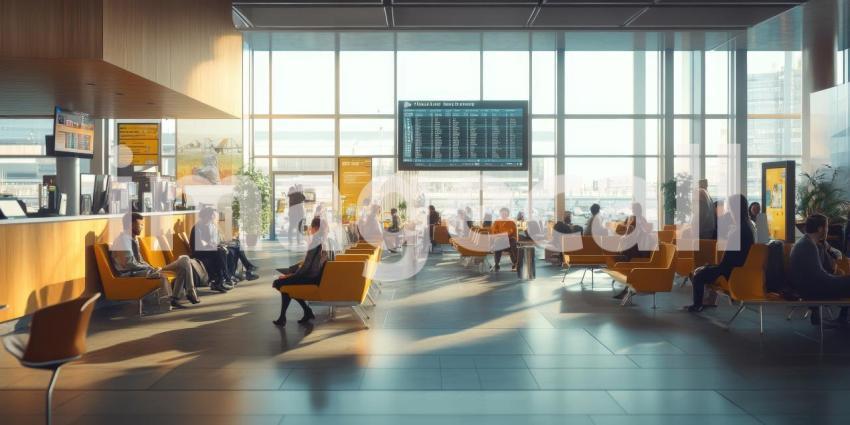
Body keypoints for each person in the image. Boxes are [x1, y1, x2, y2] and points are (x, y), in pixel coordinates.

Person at [111, 212, 199, 309]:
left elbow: (139, 260)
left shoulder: (133, 239)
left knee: (184, 260)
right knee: (163, 274)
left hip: (144, 270)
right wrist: (151, 269)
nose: (142, 227)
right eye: (140, 225)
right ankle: (173, 300)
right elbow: (129, 264)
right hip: (132, 273)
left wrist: (152, 267)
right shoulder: (123, 240)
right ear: (130, 225)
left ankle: (182, 295)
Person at [687, 194, 754, 312]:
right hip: (742, 270)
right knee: (706, 270)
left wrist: (710, 267)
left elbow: (726, 262)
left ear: (734, 210)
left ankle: (697, 305)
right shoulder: (748, 227)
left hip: (731, 272)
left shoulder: (737, 232)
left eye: (729, 208)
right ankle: (708, 301)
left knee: (698, 275)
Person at [790, 214, 850, 325]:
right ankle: (843, 319)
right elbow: (820, 277)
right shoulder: (808, 246)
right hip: (811, 290)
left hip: (810, 287)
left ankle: (843, 318)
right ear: (820, 229)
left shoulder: (809, 243)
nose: (828, 230)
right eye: (827, 227)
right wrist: (840, 281)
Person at [273, 217, 328, 326]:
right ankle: (299, 313)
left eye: (311, 227)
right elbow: (311, 263)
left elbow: (306, 267)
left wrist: (291, 275)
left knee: (279, 283)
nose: (310, 230)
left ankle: (297, 313)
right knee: (287, 286)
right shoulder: (325, 240)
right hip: (317, 276)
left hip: (311, 278)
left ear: (315, 228)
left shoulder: (316, 242)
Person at [190, 207, 235, 292]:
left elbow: (208, 242)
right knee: (220, 252)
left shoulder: (206, 226)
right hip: (198, 252)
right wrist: (214, 246)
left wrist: (216, 245)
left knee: (222, 251)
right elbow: (201, 244)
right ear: (206, 216)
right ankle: (224, 278)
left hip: (205, 250)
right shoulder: (198, 227)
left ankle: (221, 281)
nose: (212, 218)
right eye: (211, 216)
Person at [491, 207, 519, 271]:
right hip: (501, 241)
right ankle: (496, 264)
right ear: (500, 213)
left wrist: (499, 235)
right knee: (497, 243)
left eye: (505, 212)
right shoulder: (497, 222)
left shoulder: (511, 222)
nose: (503, 213)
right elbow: (494, 233)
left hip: (510, 240)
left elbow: (508, 233)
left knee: (512, 243)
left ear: (508, 213)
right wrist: (499, 235)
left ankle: (516, 264)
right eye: (502, 212)